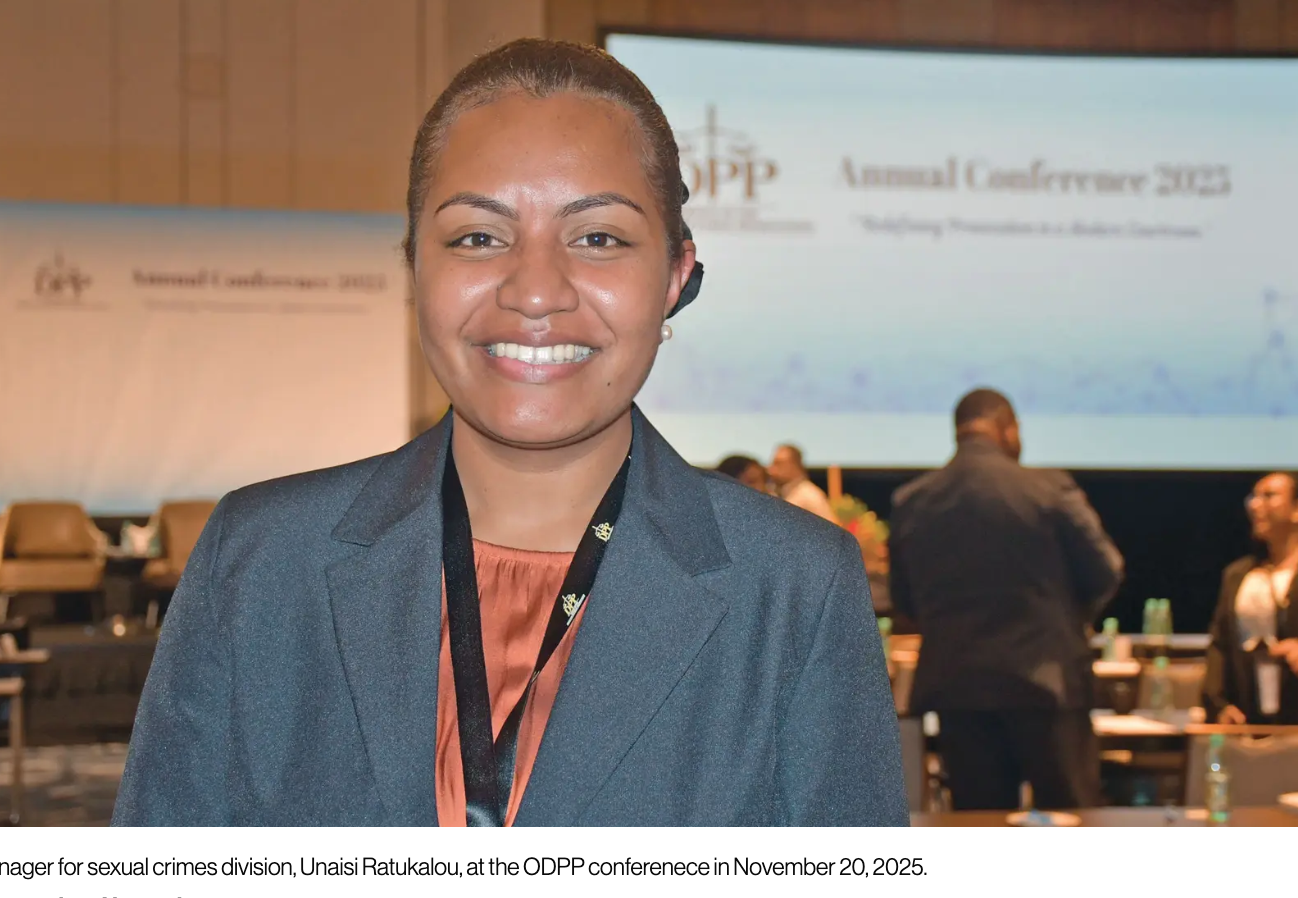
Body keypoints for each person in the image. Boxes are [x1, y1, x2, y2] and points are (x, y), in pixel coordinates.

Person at [113, 39, 905, 827]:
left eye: (598, 238)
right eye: (478, 238)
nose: (534, 292)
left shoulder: (795, 590)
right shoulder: (259, 563)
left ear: (674, 276)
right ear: (415, 265)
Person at [889, 388, 1123, 811]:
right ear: (1008, 429)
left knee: (979, 829)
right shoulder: (1048, 489)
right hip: (1047, 684)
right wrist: (1070, 619)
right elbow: (1106, 569)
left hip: (958, 690)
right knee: (1070, 823)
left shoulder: (912, 501)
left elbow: (903, 600)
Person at [1204, 471, 1298, 725]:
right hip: (1246, 718)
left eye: (1269, 496)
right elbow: (1220, 643)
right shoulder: (1238, 574)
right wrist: (1218, 704)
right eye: (1253, 497)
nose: (1255, 505)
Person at [768, 444, 835, 522]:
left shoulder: (809, 495)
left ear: (794, 465)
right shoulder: (777, 492)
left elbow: (832, 526)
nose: (771, 470)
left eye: (778, 464)